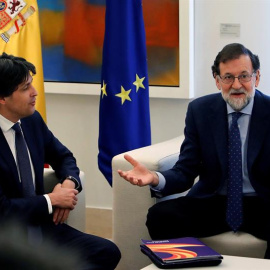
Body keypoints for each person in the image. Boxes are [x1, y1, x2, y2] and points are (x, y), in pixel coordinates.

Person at [118, 43, 270, 259]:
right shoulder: (200, 111)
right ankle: (191, 266)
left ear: (256, 78)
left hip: (262, 201)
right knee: (160, 216)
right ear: (217, 81)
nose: (237, 85)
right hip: (215, 201)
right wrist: (155, 178)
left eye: (244, 76)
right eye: (228, 77)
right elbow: (185, 170)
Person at [0, 53, 121, 270]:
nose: (35, 93)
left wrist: (69, 184)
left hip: (42, 230)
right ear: (2, 98)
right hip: (7, 240)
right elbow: (3, 210)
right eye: (25, 88)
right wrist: (52, 200)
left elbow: (64, 157)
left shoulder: (31, 121)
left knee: (107, 252)